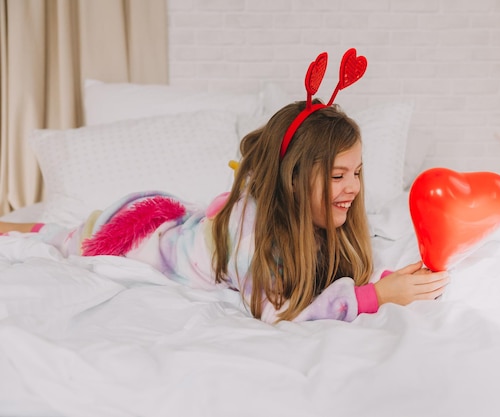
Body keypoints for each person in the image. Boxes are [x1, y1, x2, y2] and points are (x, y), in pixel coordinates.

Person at [0, 49, 448, 323]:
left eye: (357, 172)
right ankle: (18, 227)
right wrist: (375, 297)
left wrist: (388, 281)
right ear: (293, 179)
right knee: (69, 237)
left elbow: (325, 277)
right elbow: (280, 310)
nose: (352, 187)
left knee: (76, 229)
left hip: (192, 226)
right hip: (147, 238)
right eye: (337, 176)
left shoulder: (327, 220)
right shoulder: (254, 234)